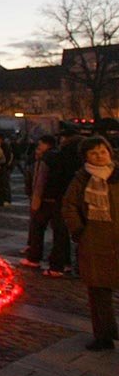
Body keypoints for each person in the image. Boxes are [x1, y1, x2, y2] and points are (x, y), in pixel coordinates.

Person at [61, 136, 119, 351]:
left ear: (110, 152)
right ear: (85, 157)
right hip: (94, 240)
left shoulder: (117, 175)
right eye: (93, 153)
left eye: (103, 151)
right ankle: (104, 335)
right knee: (98, 291)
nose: (99, 156)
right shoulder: (81, 179)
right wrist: (79, 231)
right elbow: (69, 206)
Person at [21, 135, 72, 274]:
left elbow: (40, 181)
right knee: (61, 233)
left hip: (47, 200)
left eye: (40, 145)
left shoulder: (47, 159)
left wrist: (35, 201)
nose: (38, 148)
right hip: (61, 200)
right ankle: (63, 263)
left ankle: (35, 258)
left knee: (38, 229)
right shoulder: (64, 157)